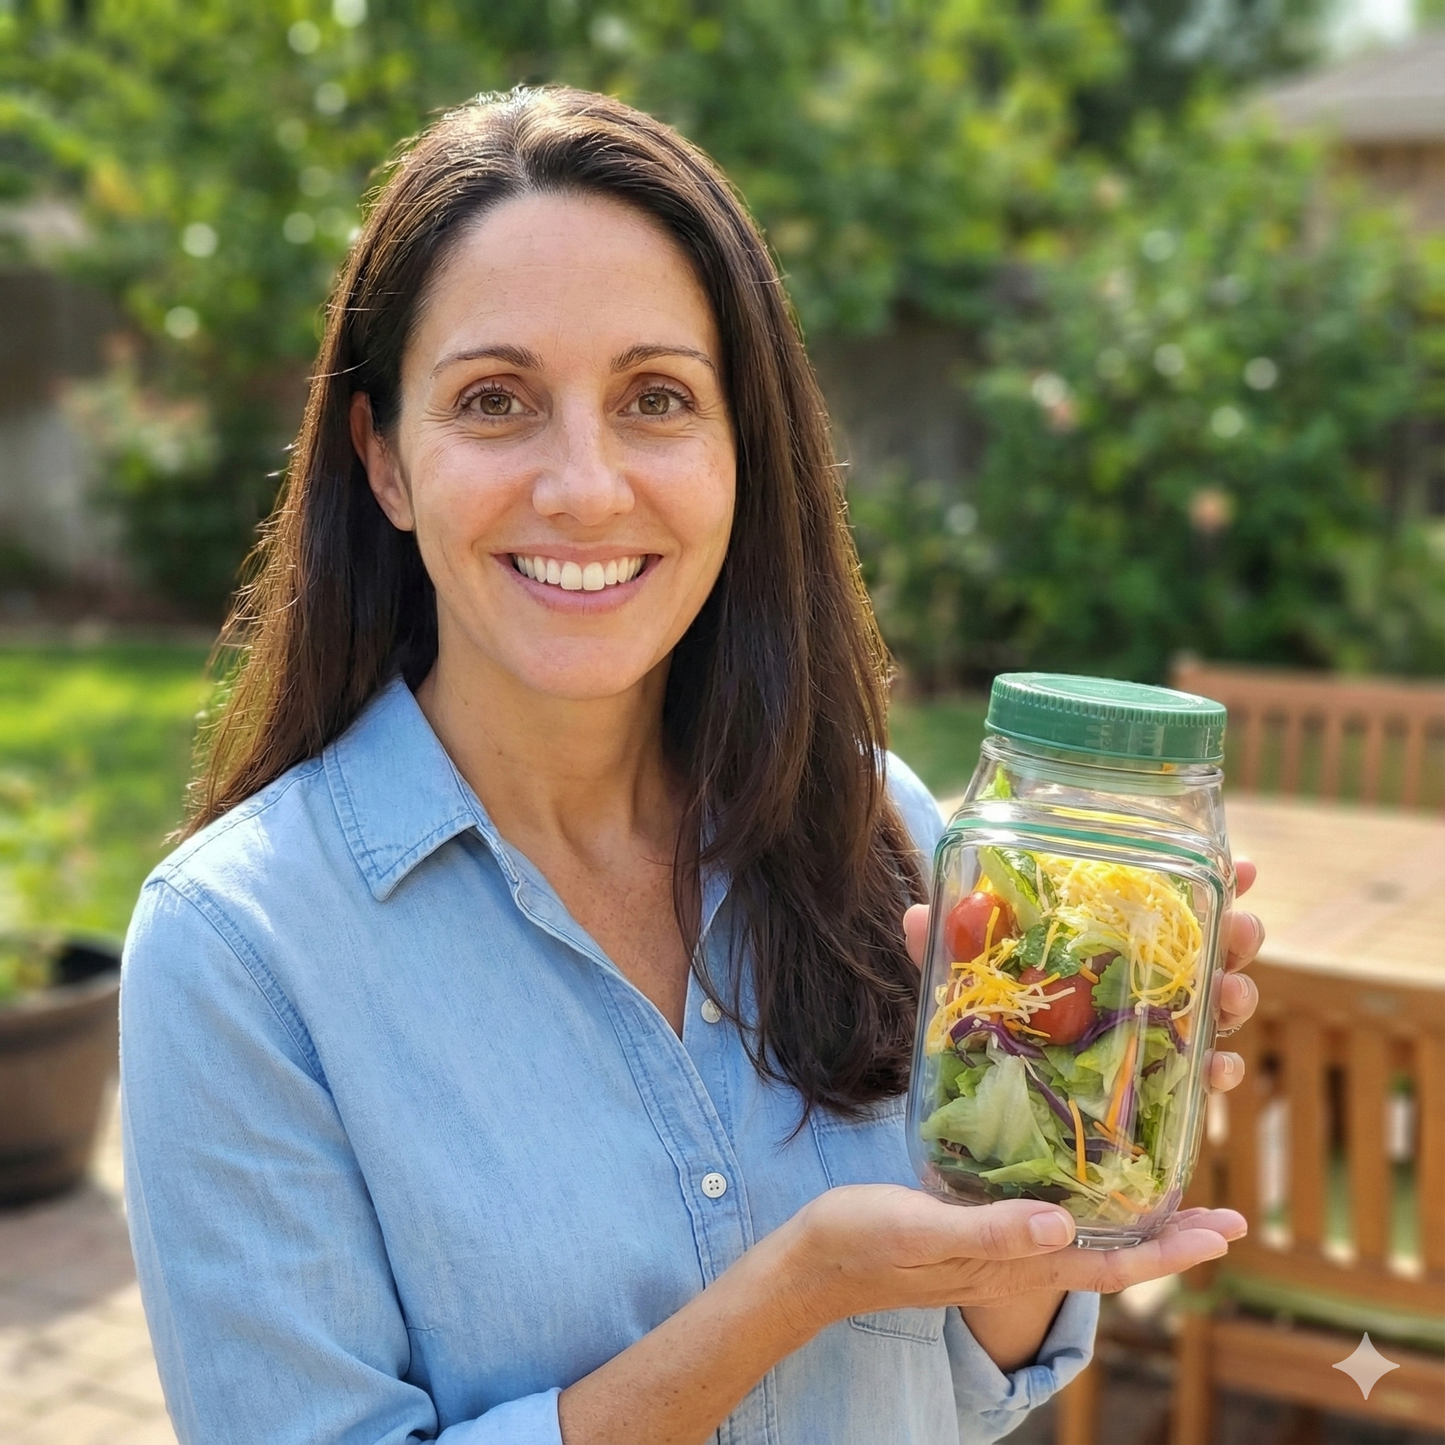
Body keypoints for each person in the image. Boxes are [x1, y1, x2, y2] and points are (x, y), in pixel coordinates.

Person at [121, 87, 1263, 1445]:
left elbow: (953, 1389)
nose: (586, 486)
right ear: (384, 461)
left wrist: (1044, 1167)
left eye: (657, 398)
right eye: (496, 402)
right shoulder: (237, 954)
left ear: (740, 450)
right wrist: (793, 1292)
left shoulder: (881, 830)